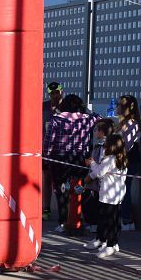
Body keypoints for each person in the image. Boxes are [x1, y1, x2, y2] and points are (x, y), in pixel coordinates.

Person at [44, 94, 99, 233]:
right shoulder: (88, 119)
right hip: (81, 159)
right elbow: (100, 117)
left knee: (61, 190)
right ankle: (90, 221)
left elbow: (49, 141)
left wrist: (47, 157)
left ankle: (63, 222)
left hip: (60, 159)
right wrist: (85, 110)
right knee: (83, 189)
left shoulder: (56, 119)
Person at [83, 133, 128, 258]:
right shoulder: (122, 159)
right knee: (114, 220)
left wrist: (91, 163)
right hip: (117, 195)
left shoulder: (109, 159)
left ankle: (109, 246)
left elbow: (99, 172)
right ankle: (110, 243)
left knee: (108, 220)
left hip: (108, 196)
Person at [118, 94, 141, 231]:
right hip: (128, 160)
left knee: (124, 190)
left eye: (119, 104)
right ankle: (126, 218)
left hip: (130, 160)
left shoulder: (130, 124)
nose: (117, 107)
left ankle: (127, 220)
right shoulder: (124, 123)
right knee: (123, 189)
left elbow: (126, 146)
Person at [42, 82, 63, 220]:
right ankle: (47, 208)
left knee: (60, 181)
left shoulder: (68, 105)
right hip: (46, 148)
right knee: (47, 178)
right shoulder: (43, 106)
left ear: (62, 91)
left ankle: (63, 210)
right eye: (52, 93)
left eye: (57, 92)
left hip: (63, 149)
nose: (55, 95)